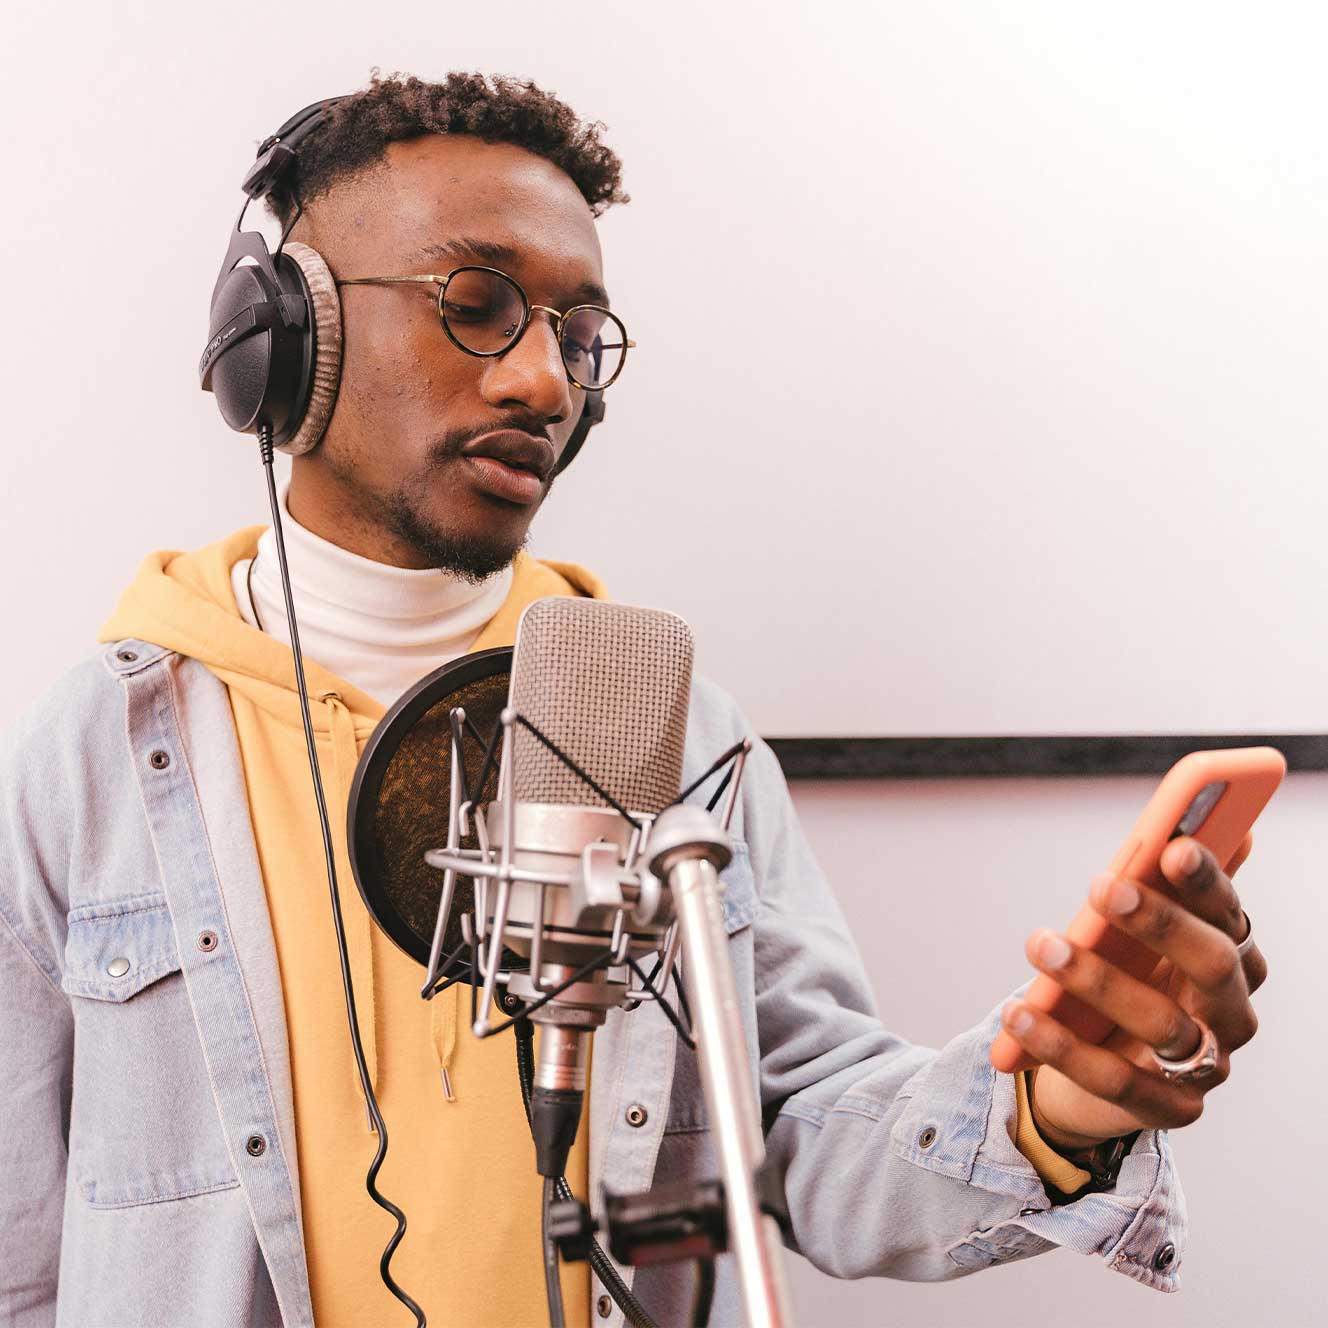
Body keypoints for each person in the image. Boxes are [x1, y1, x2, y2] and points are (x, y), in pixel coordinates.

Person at [0, 73, 1266, 1328]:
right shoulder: (98, 753)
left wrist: (1049, 1103)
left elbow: (806, 1128)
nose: (544, 385)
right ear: (284, 341)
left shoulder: (668, 732)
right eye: (478, 303)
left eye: (576, 334)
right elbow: (19, 1241)